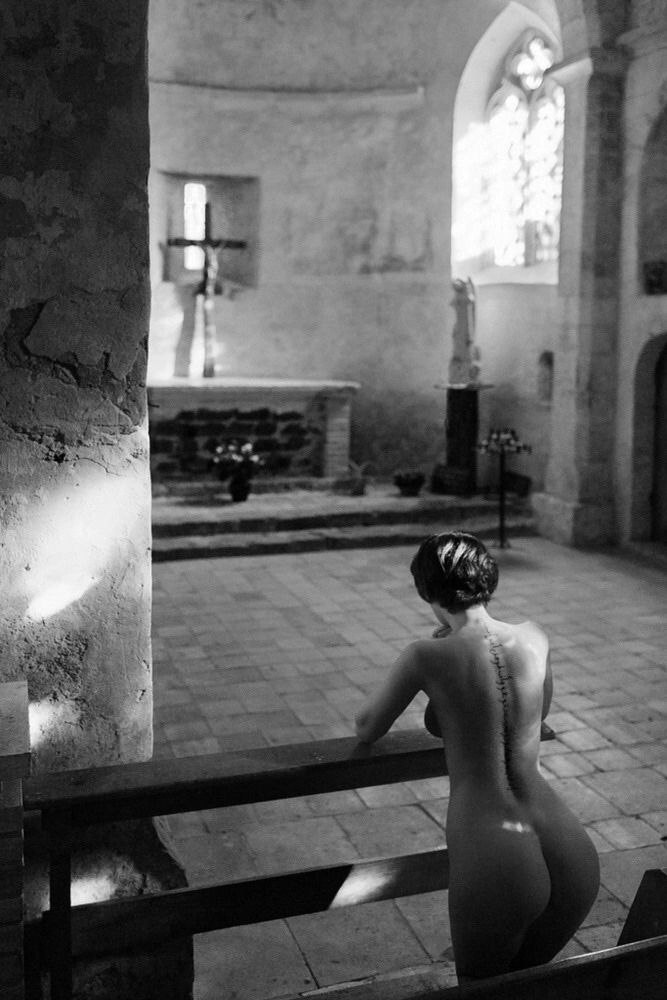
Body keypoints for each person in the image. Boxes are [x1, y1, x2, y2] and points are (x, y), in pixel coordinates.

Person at [354, 531, 600, 981]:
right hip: (569, 844)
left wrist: (440, 671)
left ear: (426, 590)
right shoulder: (534, 636)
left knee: (480, 988)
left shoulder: (425, 655)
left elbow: (368, 726)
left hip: (495, 852)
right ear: (488, 581)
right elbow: (537, 712)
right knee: (528, 985)